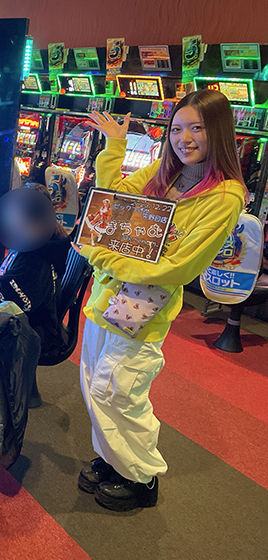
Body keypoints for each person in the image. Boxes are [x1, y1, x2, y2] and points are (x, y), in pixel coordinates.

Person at [79, 90, 246, 511]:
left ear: (218, 132)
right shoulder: (165, 171)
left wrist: (101, 254)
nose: (183, 139)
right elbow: (113, 201)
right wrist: (115, 145)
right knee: (93, 381)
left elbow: (178, 267)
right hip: (108, 291)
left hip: (145, 303)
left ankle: (140, 476)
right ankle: (113, 459)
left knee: (119, 391)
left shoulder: (224, 196)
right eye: (176, 129)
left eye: (196, 128)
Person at [0, 185, 71, 407]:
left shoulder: (36, 258)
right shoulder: (38, 242)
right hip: (37, 321)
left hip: (35, 331)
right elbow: (9, 275)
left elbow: (10, 299)